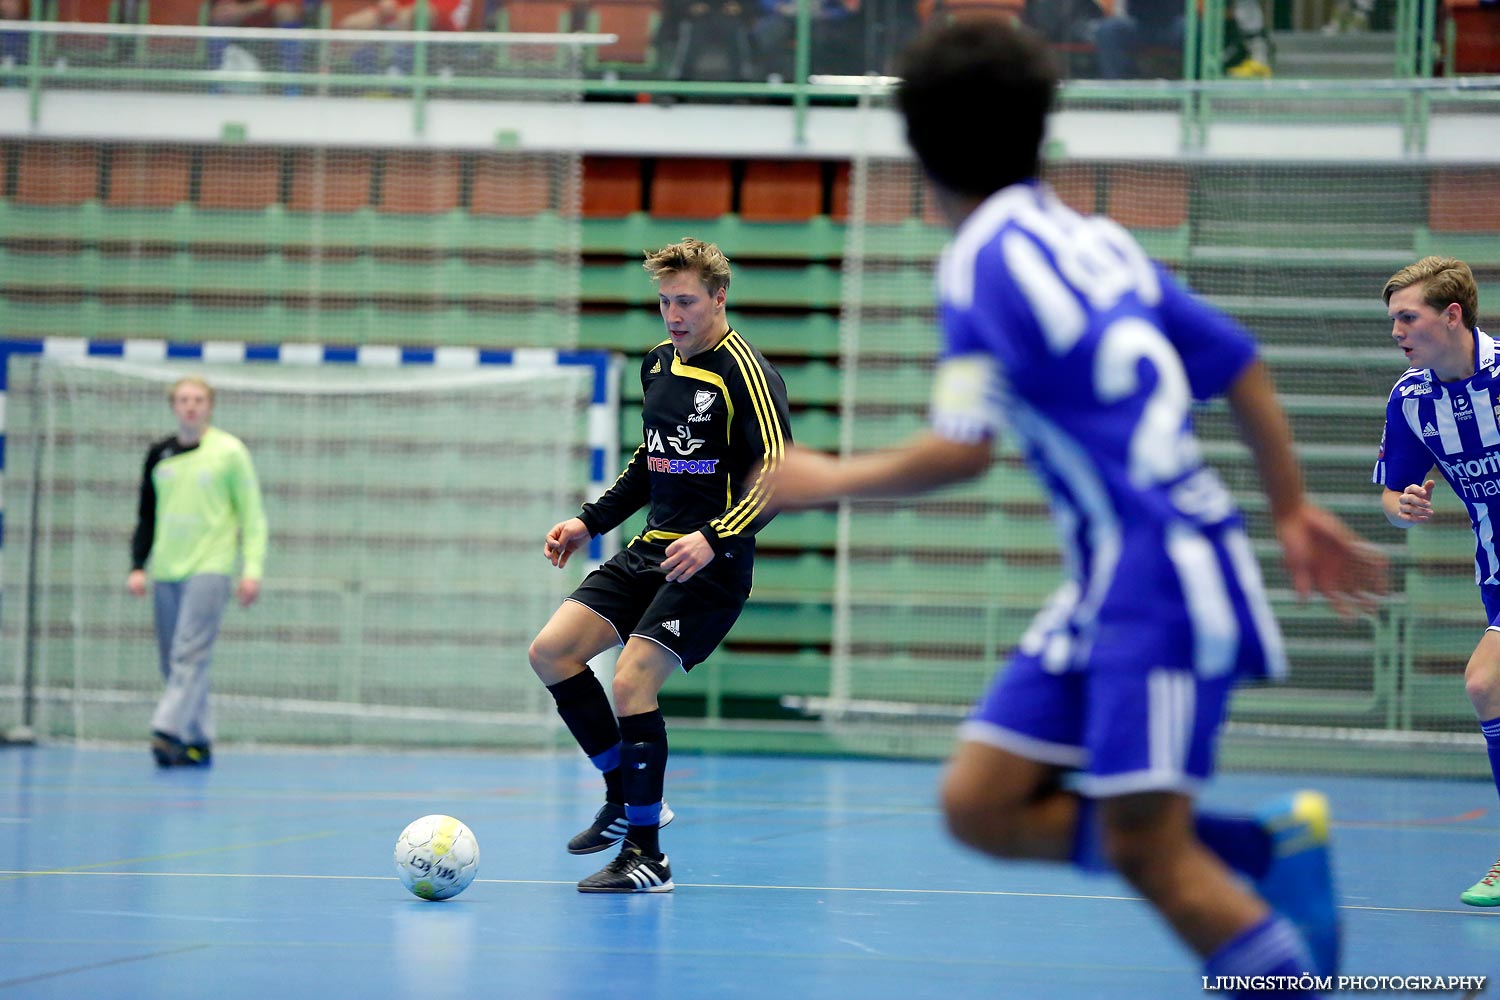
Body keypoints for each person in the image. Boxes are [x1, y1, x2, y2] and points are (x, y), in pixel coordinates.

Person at [765, 21, 1386, 994]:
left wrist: (826, 476)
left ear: (921, 152)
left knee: (1158, 859)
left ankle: (1269, 918)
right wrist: (1293, 508)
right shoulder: (1094, 237)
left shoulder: (976, 262)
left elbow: (963, 452)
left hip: (1162, 579)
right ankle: (1267, 845)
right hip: (1116, 579)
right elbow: (1239, 363)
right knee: (979, 801)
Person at [529, 238, 792, 893]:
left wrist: (715, 535)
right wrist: (587, 522)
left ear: (718, 297)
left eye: (685, 301)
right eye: (664, 301)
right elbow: (650, 464)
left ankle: (648, 855)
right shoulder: (657, 366)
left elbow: (778, 477)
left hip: (712, 563)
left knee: (630, 683)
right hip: (652, 548)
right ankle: (624, 795)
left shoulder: (746, 373)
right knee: (552, 651)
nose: (672, 315)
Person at [1373, 256, 1500, 908]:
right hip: (1497, 571)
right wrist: (1407, 509)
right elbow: (1392, 498)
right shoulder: (1412, 399)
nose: (1396, 329)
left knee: (1485, 681)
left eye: (1407, 316)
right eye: (1392, 318)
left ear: (1452, 315)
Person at [129, 376, 267, 768]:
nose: (191, 406)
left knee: (189, 653)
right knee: (174, 660)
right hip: (167, 568)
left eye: (199, 399)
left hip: (211, 566)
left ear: (210, 405)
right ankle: (197, 738)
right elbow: (147, 515)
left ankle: (166, 730)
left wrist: (251, 569)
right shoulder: (159, 455)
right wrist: (138, 566)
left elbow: (252, 515)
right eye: (184, 399)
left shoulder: (229, 452)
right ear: (174, 405)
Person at [1092, 0, 1272, 79]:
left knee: (1195, 29)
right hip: (1139, 24)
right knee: (1109, 30)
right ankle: (1116, 87)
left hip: (1174, 24)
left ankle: (1195, 91)